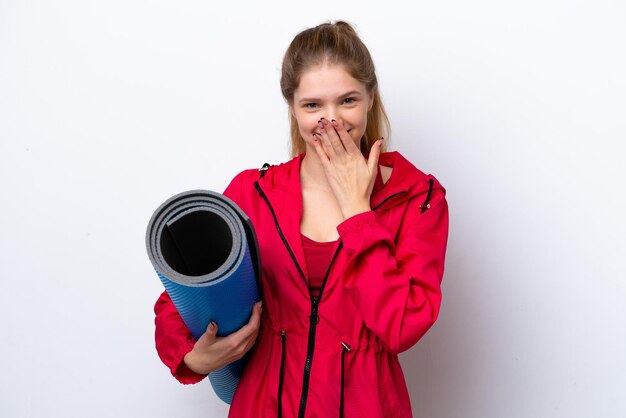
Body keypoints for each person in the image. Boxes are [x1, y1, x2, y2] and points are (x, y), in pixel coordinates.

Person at [154, 20, 449, 417]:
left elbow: (402, 326)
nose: (332, 120)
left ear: (370, 98)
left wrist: (357, 210)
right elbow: (179, 300)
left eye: (348, 100)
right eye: (313, 105)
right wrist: (192, 358)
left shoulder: (419, 200)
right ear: (292, 108)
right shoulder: (252, 194)